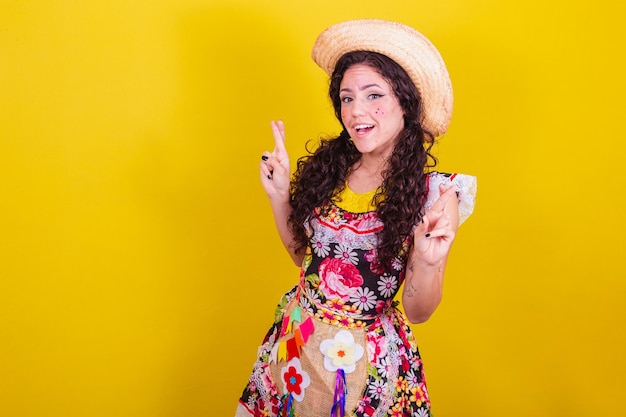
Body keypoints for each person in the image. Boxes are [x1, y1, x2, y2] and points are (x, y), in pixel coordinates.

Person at [236, 19, 476, 417]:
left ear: (407, 102)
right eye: (347, 98)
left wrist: (430, 263)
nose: (356, 111)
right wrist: (279, 197)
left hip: (365, 365)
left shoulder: (434, 195)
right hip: (296, 345)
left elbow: (418, 311)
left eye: (373, 95)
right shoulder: (328, 169)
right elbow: (304, 259)